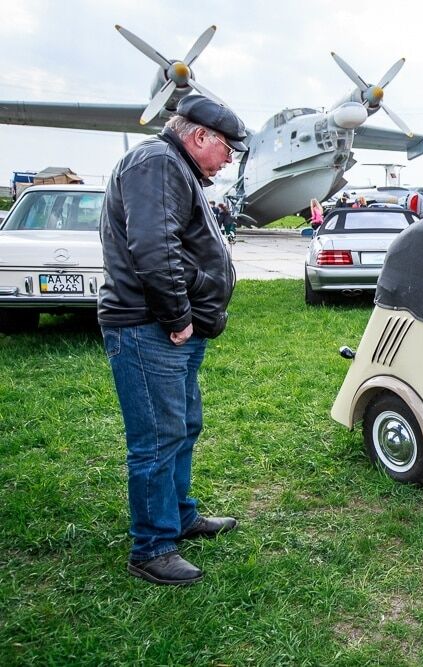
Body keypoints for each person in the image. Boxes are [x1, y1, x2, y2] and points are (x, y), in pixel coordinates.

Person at [98, 94, 246, 586]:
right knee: (158, 438)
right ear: (200, 136)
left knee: (182, 425)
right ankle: (152, 546)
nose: (229, 159)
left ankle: (180, 515)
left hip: (166, 326)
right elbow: (154, 246)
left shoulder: (174, 166)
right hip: (150, 326)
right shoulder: (159, 162)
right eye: (228, 148)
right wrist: (179, 314)